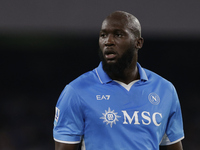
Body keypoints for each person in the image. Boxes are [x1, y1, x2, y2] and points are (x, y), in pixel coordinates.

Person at [53, 11, 184, 150]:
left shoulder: (165, 90)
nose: (108, 41)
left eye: (118, 35)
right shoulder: (76, 92)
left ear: (138, 43)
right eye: (103, 35)